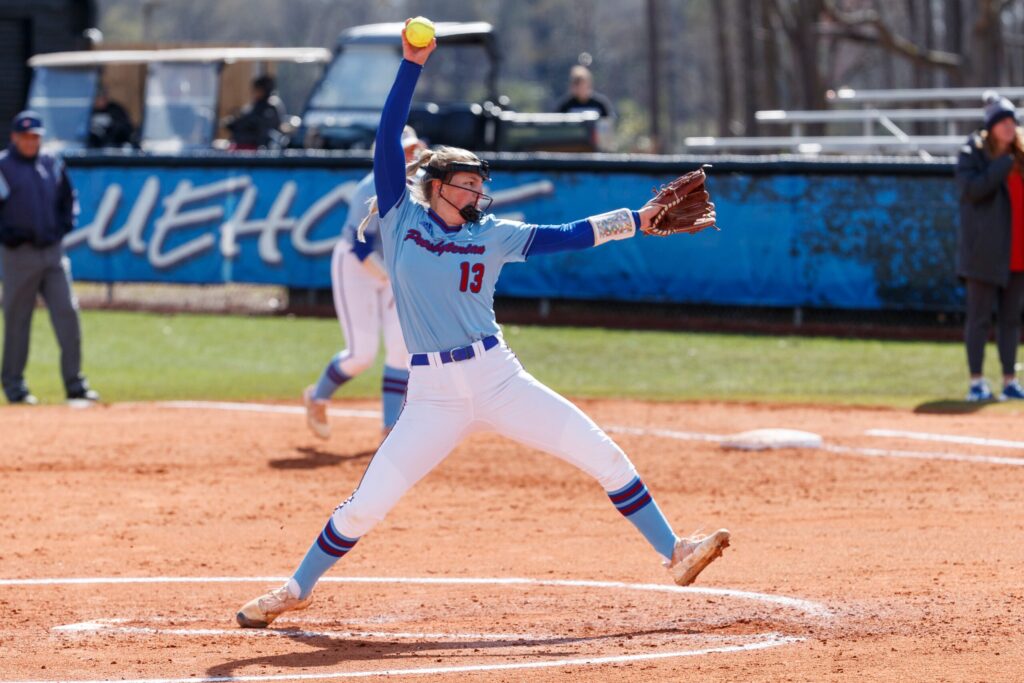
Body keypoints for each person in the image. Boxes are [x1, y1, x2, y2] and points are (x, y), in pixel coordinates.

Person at [236, 23, 729, 628]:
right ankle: (296, 587)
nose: (478, 191)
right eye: (468, 182)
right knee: (366, 505)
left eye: (480, 183)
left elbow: (566, 235)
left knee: (598, 450)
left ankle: (673, 551)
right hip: (433, 396)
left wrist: (637, 218)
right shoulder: (400, 219)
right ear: (437, 186)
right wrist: (412, 64)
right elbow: (387, 137)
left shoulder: (491, 235)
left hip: (498, 377)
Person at [303, 126, 425, 439]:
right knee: (362, 355)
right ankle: (317, 397)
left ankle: (389, 429)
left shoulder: (422, 189)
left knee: (401, 350)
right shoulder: (369, 188)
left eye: (413, 151)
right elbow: (361, 247)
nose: (412, 157)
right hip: (357, 266)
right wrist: (392, 276)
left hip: (393, 271)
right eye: (405, 151)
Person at [0, 111, 98, 405]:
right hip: (19, 255)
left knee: (68, 314)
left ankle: (75, 384)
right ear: (15, 137)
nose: (32, 142)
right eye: (27, 137)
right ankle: (15, 387)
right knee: (18, 322)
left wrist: (64, 225)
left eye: (36, 137)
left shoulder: (51, 163)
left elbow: (68, 199)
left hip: (53, 253)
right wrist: (8, 235)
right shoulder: (3, 167)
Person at [955, 91, 1024, 402]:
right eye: (1003, 122)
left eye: (1013, 122)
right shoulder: (974, 152)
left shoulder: (1021, 157)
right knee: (979, 319)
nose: (1009, 128)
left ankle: (1010, 380)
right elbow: (971, 190)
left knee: (1011, 320)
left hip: (1018, 253)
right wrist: (1002, 165)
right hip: (984, 253)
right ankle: (976, 382)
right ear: (991, 127)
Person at [225, 75, 286, 150]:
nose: (254, 93)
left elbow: (263, 130)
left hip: (258, 148)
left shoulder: (271, 107)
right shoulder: (256, 105)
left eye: (257, 90)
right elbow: (244, 118)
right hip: (242, 145)